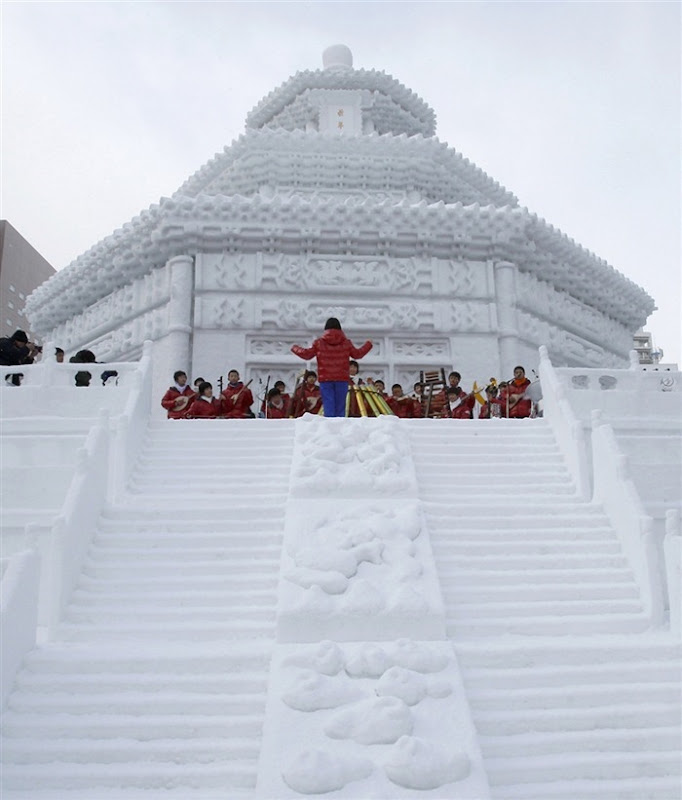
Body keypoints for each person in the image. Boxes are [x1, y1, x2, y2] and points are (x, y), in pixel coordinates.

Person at [291, 318, 372, 417]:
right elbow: (358, 354)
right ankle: (339, 427)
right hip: (342, 379)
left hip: (326, 379)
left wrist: (295, 348)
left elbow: (307, 354)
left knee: (328, 404)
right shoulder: (346, 343)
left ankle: (329, 427)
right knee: (340, 406)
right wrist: (368, 344)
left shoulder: (319, 343)